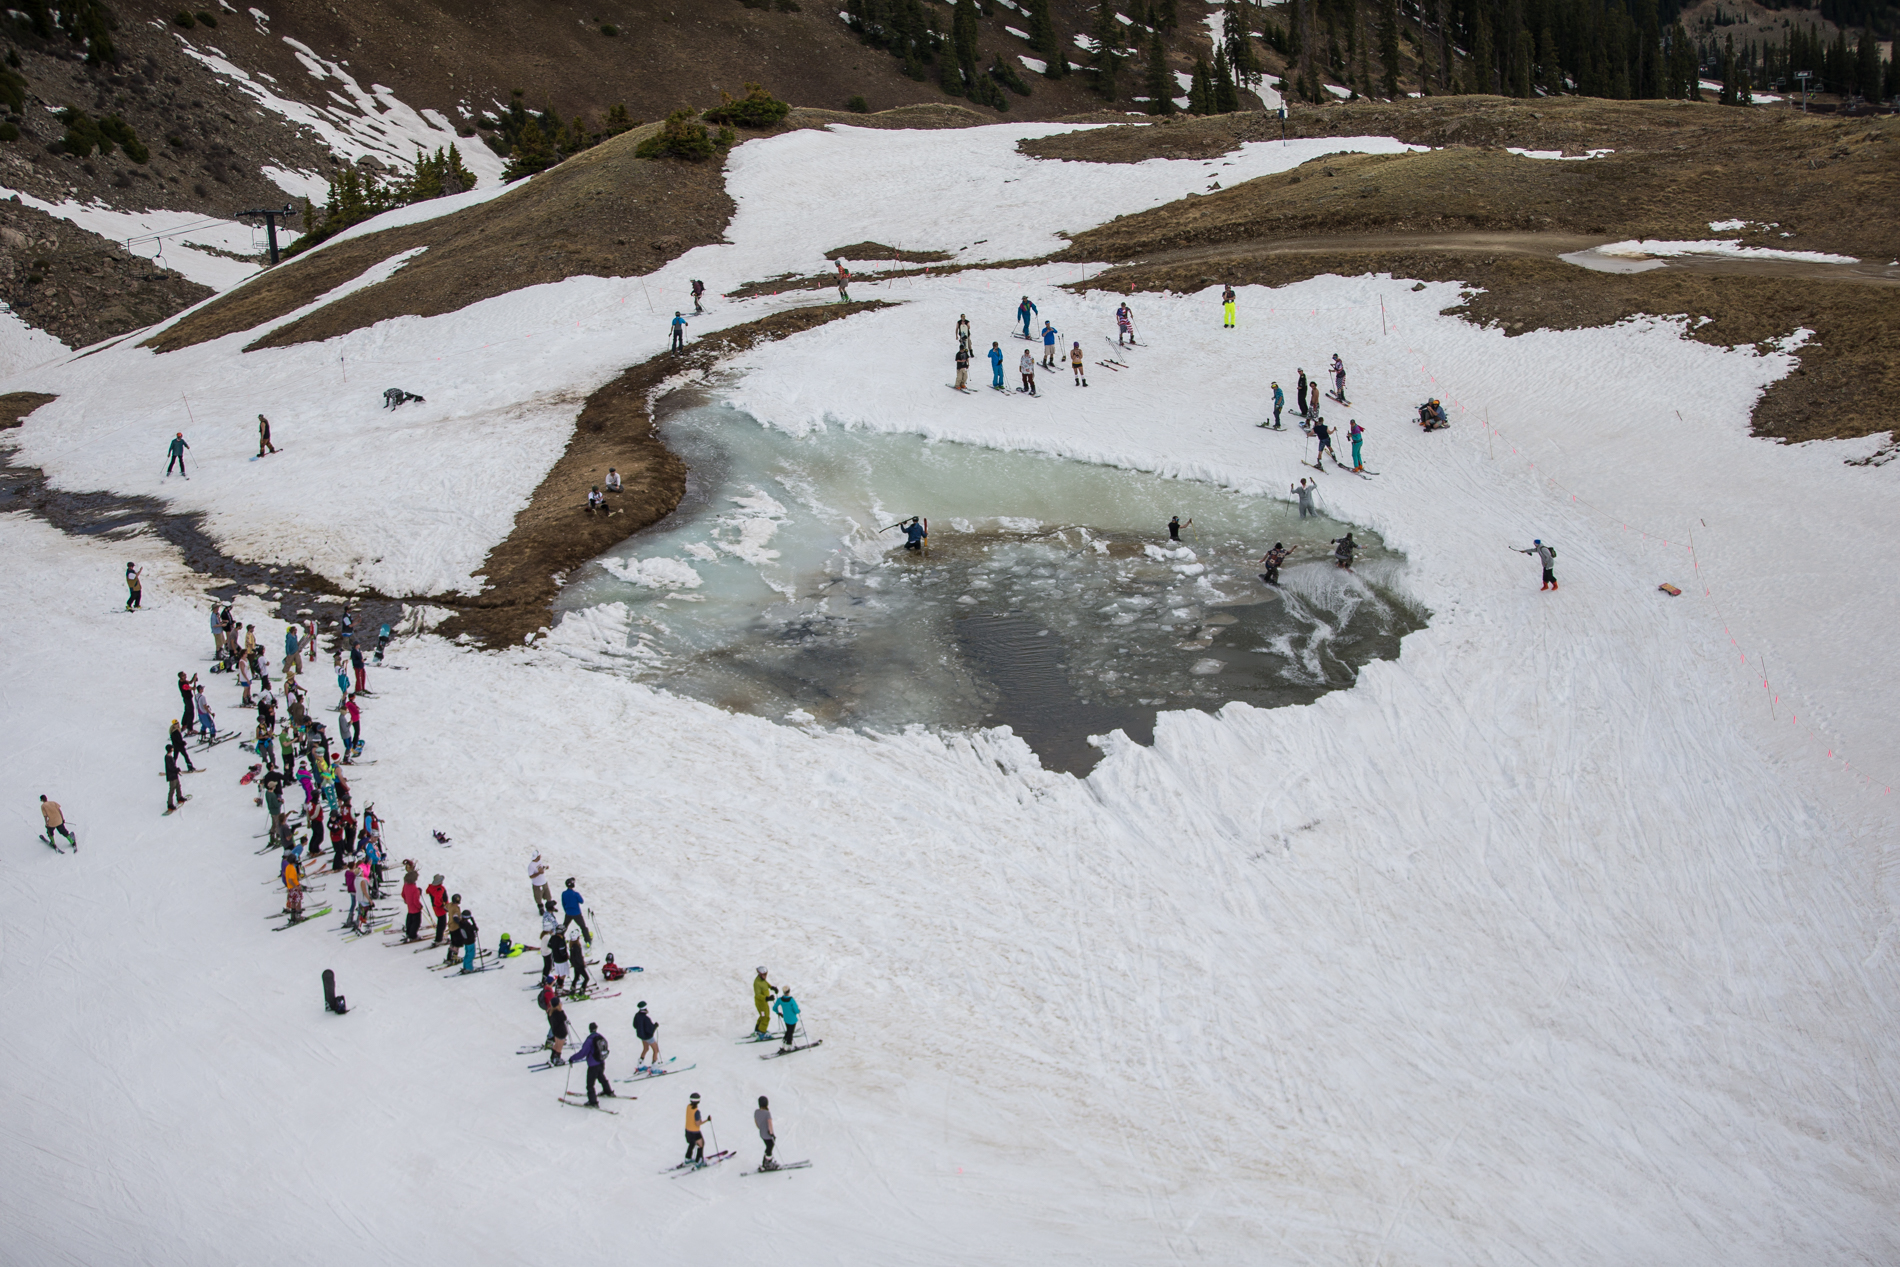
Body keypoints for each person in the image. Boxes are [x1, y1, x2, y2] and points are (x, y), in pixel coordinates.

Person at [577, 1022, 614, 1105]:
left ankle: (593, 1101)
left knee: (590, 1084)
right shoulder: (600, 1037)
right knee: (601, 1077)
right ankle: (608, 1091)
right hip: (601, 1062)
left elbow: (583, 1053)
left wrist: (572, 1058)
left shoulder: (590, 1039)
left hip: (593, 1065)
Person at [560, 878, 591, 943]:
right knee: (583, 927)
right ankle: (588, 940)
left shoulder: (563, 893)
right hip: (577, 913)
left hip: (568, 913)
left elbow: (563, 903)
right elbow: (581, 901)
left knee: (565, 926)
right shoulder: (575, 894)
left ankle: (559, 938)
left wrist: (566, 910)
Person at [684, 1093, 711, 1165]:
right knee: (701, 1145)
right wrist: (707, 1120)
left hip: (687, 1131)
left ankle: (687, 1158)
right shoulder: (696, 1111)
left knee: (691, 1143)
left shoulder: (688, 1107)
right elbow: (698, 1123)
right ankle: (699, 1161)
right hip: (695, 1132)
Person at [633, 1001, 660, 1069]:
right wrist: (655, 1026)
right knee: (656, 1050)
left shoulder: (637, 1015)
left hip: (642, 1036)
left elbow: (635, 1025)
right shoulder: (646, 1018)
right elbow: (650, 1030)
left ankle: (640, 1064)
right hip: (648, 1037)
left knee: (646, 1048)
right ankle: (654, 1067)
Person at [752, 966, 777, 1039]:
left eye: (766, 974)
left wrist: (772, 987)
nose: (765, 976)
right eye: (764, 975)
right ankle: (762, 1033)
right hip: (761, 1003)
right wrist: (767, 998)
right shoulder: (757, 983)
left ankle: (758, 1029)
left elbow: (766, 984)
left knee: (762, 1016)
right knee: (766, 1017)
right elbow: (758, 995)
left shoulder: (762, 980)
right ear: (759, 974)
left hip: (764, 1002)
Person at [163, 742, 187, 813]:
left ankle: (179, 797)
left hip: (174, 775)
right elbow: (170, 767)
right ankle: (170, 805)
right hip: (171, 776)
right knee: (172, 790)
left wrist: (176, 770)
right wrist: (176, 770)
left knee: (178, 786)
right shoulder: (167, 757)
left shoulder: (170, 756)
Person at [400, 869, 424, 942]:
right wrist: (420, 906)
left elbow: (403, 894)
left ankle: (408, 932)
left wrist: (406, 900)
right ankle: (413, 935)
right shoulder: (415, 889)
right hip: (415, 909)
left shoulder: (406, 885)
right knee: (416, 922)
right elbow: (415, 900)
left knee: (409, 920)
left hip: (409, 907)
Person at [755, 1096, 778, 1169]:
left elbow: (756, 1122)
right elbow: (770, 1123)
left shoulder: (756, 1112)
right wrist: (771, 1133)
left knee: (768, 1147)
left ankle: (766, 1161)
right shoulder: (767, 1113)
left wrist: (761, 1128)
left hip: (762, 1134)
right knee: (769, 1147)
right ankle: (768, 1163)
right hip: (768, 1135)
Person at [547, 994, 570, 1065]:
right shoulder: (558, 1013)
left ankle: (553, 1056)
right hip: (561, 1032)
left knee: (556, 1044)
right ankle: (557, 1059)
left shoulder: (550, 1012)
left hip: (555, 1031)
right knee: (559, 1046)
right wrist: (561, 1010)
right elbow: (564, 1017)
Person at [568, 931, 592, 995]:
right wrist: (582, 963)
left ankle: (572, 989)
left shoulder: (572, 945)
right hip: (579, 965)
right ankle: (582, 990)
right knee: (586, 978)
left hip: (575, 965)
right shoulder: (576, 946)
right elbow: (578, 958)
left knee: (576, 977)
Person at [457, 907, 480, 972]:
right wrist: (473, 920)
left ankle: (466, 966)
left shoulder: (461, 923)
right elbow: (475, 927)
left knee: (467, 954)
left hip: (466, 941)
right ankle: (469, 968)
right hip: (470, 941)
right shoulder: (467, 925)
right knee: (471, 955)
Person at [427, 873, 448, 944]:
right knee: (442, 925)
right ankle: (439, 939)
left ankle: (440, 937)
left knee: (440, 923)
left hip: (436, 909)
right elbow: (437, 900)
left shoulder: (432, 888)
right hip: (440, 909)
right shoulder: (439, 889)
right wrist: (442, 905)